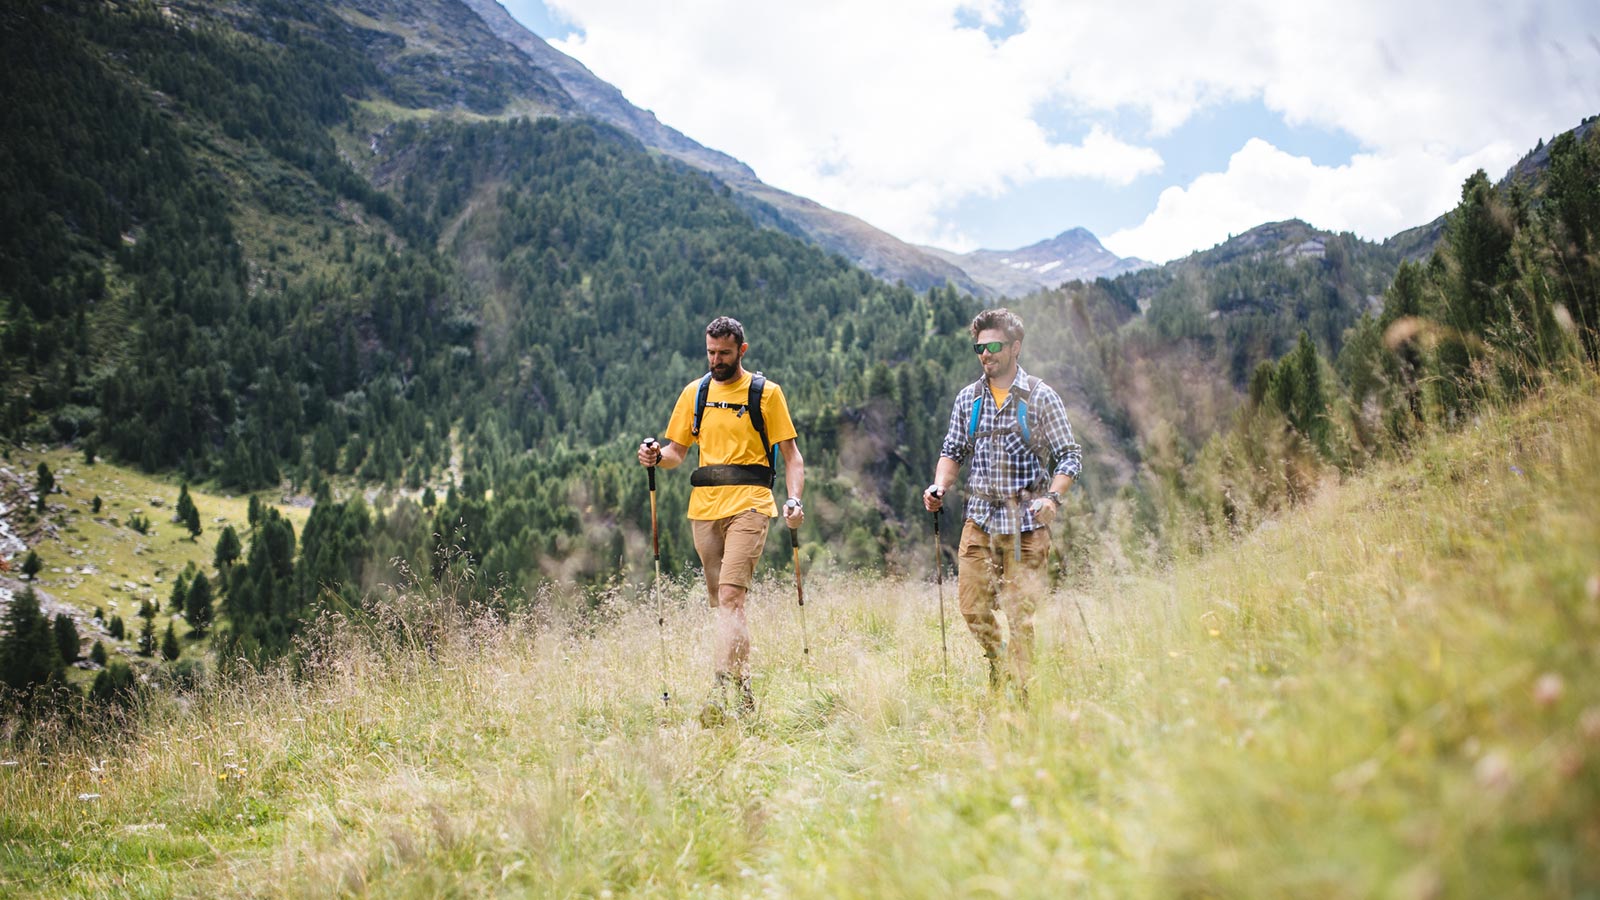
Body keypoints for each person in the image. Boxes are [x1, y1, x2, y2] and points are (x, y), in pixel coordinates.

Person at [638, 316, 805, 722]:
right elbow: (678, 452)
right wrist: (656, 456)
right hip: (705, 509)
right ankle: (744, 689)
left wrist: (794, 498)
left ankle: (717, 688)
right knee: (724, 607)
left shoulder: (766, 394)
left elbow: (792, 457)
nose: (716, 360)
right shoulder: (695, 393)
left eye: (724, 353)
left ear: (741, 351)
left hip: (751, 503)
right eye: (711, 352)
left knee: (732, 597)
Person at [923, 307, 1081, 697]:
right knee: (972, 608)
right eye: (979, 347)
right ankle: (1001, 662)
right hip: (979, 518)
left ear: (1015, 347)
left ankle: (1023, 697)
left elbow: (1069, 456)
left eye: (993, 346)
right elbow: (953, 450)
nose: (985, 354)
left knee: (1019, 614)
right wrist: (939, 486)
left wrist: (1053, 499)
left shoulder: (1040, 397)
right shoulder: (968, 399)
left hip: (1027, 523)